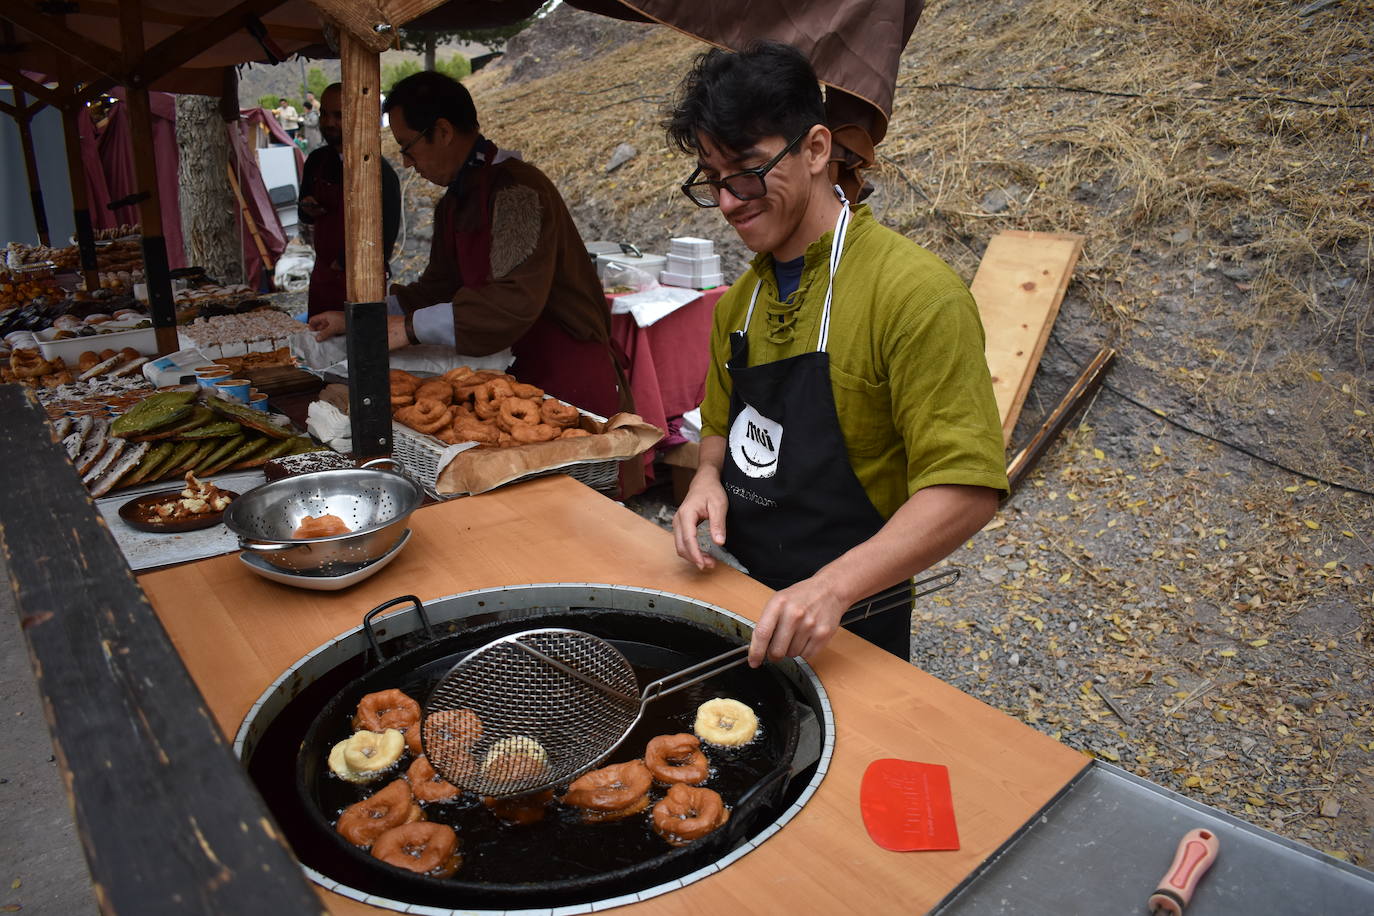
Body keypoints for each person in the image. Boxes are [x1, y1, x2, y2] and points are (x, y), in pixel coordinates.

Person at [666, 42, 1008, 667]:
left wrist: (832, 587)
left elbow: (965, 487)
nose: (728, 201)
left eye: (747, 171)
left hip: (852, 618)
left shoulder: (916, 295)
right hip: (740, 592)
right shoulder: (737, 302)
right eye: (712, 179)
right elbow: (718, 425)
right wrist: (708, 477)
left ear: (817, 149)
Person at [309, 71, 628, 419]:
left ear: (443, 132)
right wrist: (362, 318)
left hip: (563, 371)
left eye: (408, 147)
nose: (406, 163)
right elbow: (436, 289)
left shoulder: (517, 191)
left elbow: (511, 300)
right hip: (510, 372)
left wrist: (410, 328)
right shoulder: (455, 201)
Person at [298, 83, 402, 317]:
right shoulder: (316, 161)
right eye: (324, 114)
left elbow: (386, 235)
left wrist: (344, 263)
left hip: (362, 280)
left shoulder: (379, 171)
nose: (329, 122)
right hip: (323, 276)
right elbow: (303, 214)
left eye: (338, 115)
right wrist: (308, 208)